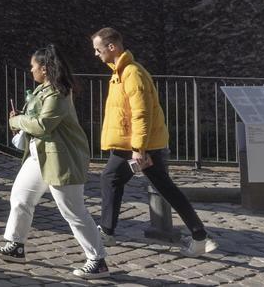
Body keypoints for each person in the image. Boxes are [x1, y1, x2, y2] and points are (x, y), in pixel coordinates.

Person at [93, 27, 218, 256]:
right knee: (163, 188)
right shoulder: (122, 73)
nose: (96, 54)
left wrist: (138, 148)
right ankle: (200, 235)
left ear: (112, 47)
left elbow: (141, 113)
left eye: (98, 49)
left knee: (111, 178)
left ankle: (107, 232)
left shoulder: (131, 73)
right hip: (137, 144)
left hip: (134, 146)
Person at [0, 45, 109, 279]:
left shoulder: (58, 93)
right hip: (39, 155)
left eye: (33, 66)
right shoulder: (44, 89)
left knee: (73, 211)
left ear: (44, 68)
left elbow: (44, 125)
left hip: (61, 158)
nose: (30, 70)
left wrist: (17, 121)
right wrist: (22, 119)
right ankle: (16, 245)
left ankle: (98, 260)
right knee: (20, 197)